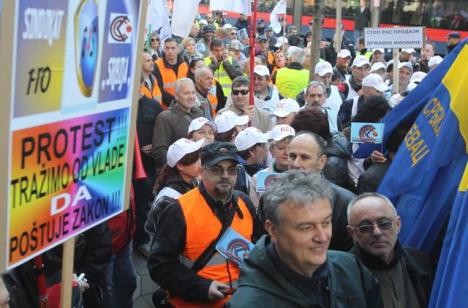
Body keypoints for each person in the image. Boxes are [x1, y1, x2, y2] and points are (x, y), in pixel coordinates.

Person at [227, 171, 381, 307]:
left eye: (326, 222)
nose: (322, 237)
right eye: (306, 227)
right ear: (273, 230)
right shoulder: (248, 303)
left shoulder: (352, 269)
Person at [148, 142, 262, 308]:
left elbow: (257, 250)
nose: (225, 175)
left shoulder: (244, 203)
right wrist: (202, 287)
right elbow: (159, 266)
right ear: (201, 172)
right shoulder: (179, 210)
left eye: (231, 169)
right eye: (216, 169)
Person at [347, 193, 435, 308]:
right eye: (365, 227)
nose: (377, 232)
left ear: (398, 224)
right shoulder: (342, 275)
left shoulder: (420, 262)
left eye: (384, 224)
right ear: (352, 233)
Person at [288, 132, 355, 251]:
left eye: (305, 157)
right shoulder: (272, 198)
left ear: (322, 162)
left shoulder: (345, 203)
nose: (296, 164)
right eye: (292, 156)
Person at [146, 138, 203, 239]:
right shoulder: (168, 198)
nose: (200, 163)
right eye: (195, 159)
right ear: (180, 165)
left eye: (200, 157)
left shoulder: (194, 182)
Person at [151, 78, 204, 169]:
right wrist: (179, 169)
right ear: (176, 96)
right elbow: (159, 152)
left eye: (193, 92)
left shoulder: (199, 113)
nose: (191, 96)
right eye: (186, 93)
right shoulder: (165, 118)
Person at [153, 37, 189, 108]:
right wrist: (176, 102)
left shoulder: (184, 65)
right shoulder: (157, 65)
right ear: (163, 50)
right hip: (165, 108)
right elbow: (158, 89)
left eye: (173, 48)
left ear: (178, 50)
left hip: (183, 105)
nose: (170, 51)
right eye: (167, 48)